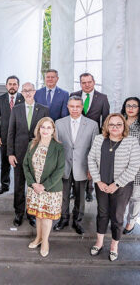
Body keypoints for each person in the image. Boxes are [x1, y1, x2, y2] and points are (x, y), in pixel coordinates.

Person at [88, 113, 140, 261]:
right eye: (111, 124)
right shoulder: (99, 139)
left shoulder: (132, 142)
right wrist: (98, 181)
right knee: (102, 213)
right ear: (106, 126)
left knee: (117, 216)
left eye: (118, 124)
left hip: (122, 187)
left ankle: (114, 246)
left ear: (124, 126)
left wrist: (116, 184)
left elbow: (134, 166)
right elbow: (91, 159)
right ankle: (99, 243)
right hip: (102, 185)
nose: (115, 127)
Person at [54, 96, 98, 234]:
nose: (74, 109)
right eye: (72, 106)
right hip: (64, 166)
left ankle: (77, 221)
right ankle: (63, 219)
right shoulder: (59, 123)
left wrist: (92, 169)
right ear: (68, 107)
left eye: (77, 106)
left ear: (82, 107)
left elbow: (94, 148)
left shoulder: (92, 124)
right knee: (64, 196)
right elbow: (56, 147)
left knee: (80, 197)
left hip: (83, 167)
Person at [7, 82, 49, 228]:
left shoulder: (44, 110)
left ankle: (31, 214)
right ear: (22, 93)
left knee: (33, 185)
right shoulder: (16, 110)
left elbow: (48, 133)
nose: (28, 93)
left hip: (37, 155)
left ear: (35, 91)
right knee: (19, 184)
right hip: (19, 154)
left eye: (30, 90)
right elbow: (11, 132)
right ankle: (18, 213)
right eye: (25, 91)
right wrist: (10, 153)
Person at [23, 117, 65, 257]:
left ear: (53, 130)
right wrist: (33, 184)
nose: (45, 130)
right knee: (39, 216)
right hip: (34, 188)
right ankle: (38, 238)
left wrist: (44, 186)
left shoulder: (58, 147)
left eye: (48, 127)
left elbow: (60, 170)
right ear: (38, 129)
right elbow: (26, 165)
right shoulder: (32, 144)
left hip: (50, 189)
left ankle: (45, 241)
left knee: (46, 217)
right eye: (43, 127)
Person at [71, 72, 110, 202]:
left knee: (91, 161)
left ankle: (89, 190)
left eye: (89, 82)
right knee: (75, 160)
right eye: (83, 82)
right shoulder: (73, 95)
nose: (87, 85)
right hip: (75, 135)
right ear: (80, 83)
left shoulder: (102, 98)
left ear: (93, 82)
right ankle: (73, 189)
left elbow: (105, 120)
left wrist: (103, 139)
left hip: (94, 136)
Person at [0, 75, 24, 195]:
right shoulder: (0, 99)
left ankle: (19, 187)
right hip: (5, 137)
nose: (12, 86)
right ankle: (4, 185)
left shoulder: (23, 98)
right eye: (10, 84)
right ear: (6, 86)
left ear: (18, 86)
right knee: (5, 162)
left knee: (19, 164)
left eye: (14, 84)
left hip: (20, 137)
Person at [121, 97, 140, 234]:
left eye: (134, 105)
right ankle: (118, 219)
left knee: (135, 196)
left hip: (137, 165)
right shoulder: (119, 121)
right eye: (128, 105)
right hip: (120, 165)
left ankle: (131, 221)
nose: (131, 108)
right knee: (120, 195)